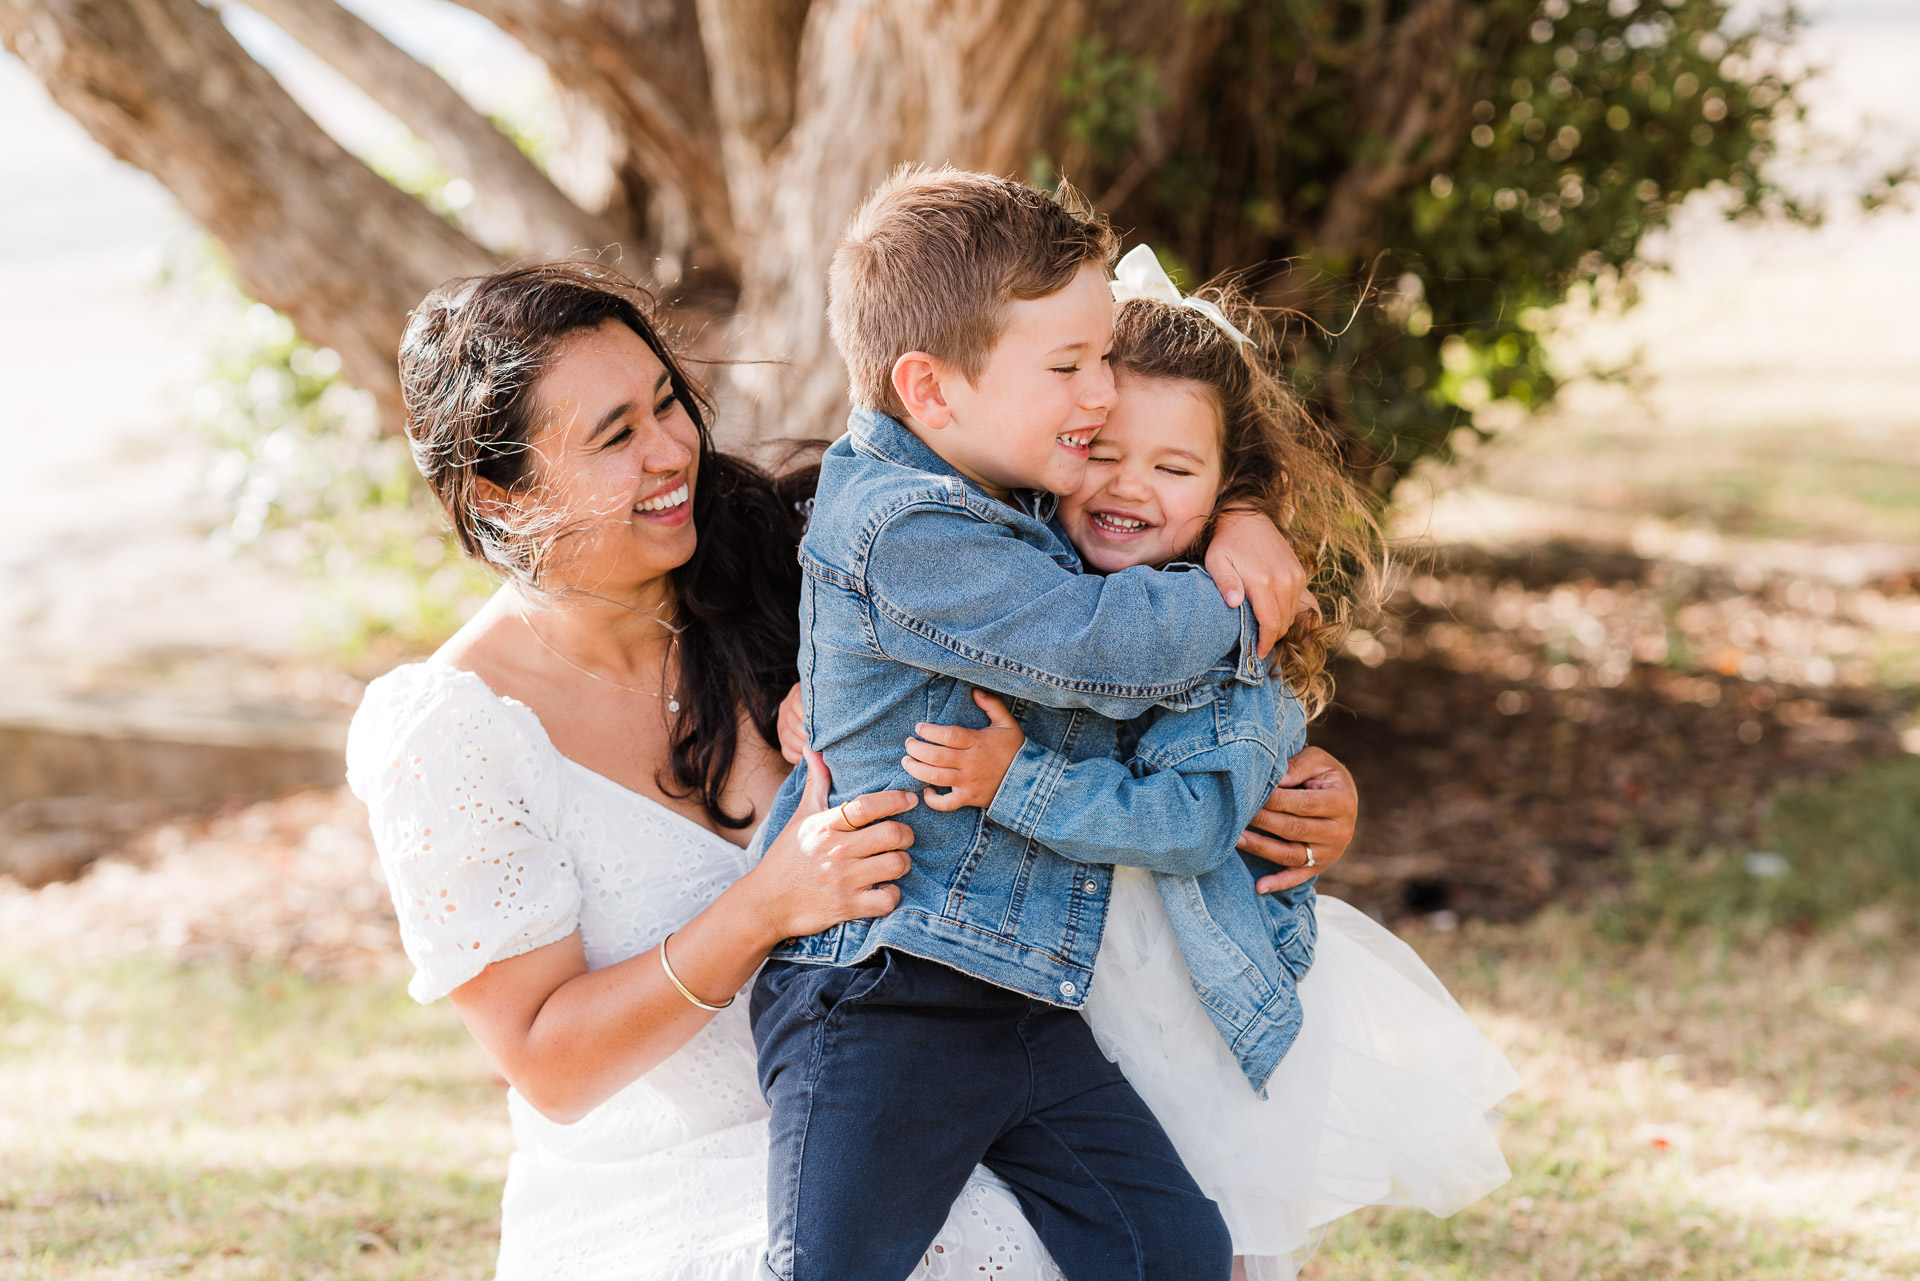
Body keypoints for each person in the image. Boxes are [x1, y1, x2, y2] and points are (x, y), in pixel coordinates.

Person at [344, 260, 1359, 1281]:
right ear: (497, 493)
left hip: (942, 1084)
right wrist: (763, 907)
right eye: (616, 435)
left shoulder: (816, 561)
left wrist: (1236, 516)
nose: (672, 452)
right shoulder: (450, 733)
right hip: (672, 1181)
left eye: (667, 403)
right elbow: (550, 1062)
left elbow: (1073, 510)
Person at [896, 247, 1521, 1280]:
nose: (1127, 484)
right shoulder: (997, 555)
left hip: (1174, 986)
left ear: (1228, 485)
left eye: (1175, 470)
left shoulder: (1227, 638)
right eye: (1100, 449)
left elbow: (1190, 821)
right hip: (1038, 979)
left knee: (1211, 1229)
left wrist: (1017, 781)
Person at [749, 168, 1325, 1281]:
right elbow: (1102, 650)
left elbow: (1133, 506)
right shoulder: (905, 528)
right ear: (931, 388)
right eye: (1071, 367)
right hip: (884, 993)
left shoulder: (997, 479)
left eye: (1103, 356)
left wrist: (1240, 505)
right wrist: (1234, 584)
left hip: (1023, 997)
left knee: (1173, 1255)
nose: (1104, 394)